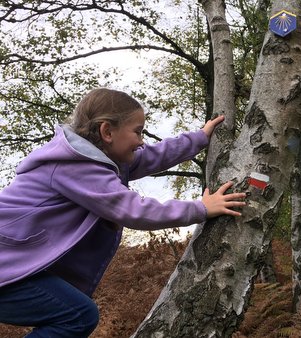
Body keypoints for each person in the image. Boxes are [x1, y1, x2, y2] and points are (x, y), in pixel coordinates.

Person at [0, 88, 246, 337]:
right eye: (137, 131)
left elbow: (152, 156)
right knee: (77, 314)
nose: (141, 140)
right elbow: (132, 210)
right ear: (107, 132)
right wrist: (201, 208)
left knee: (73, 313)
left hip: (14, 269)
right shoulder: (76, 166)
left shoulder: (104, 159)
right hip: (6, 269)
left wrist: (199, 138)